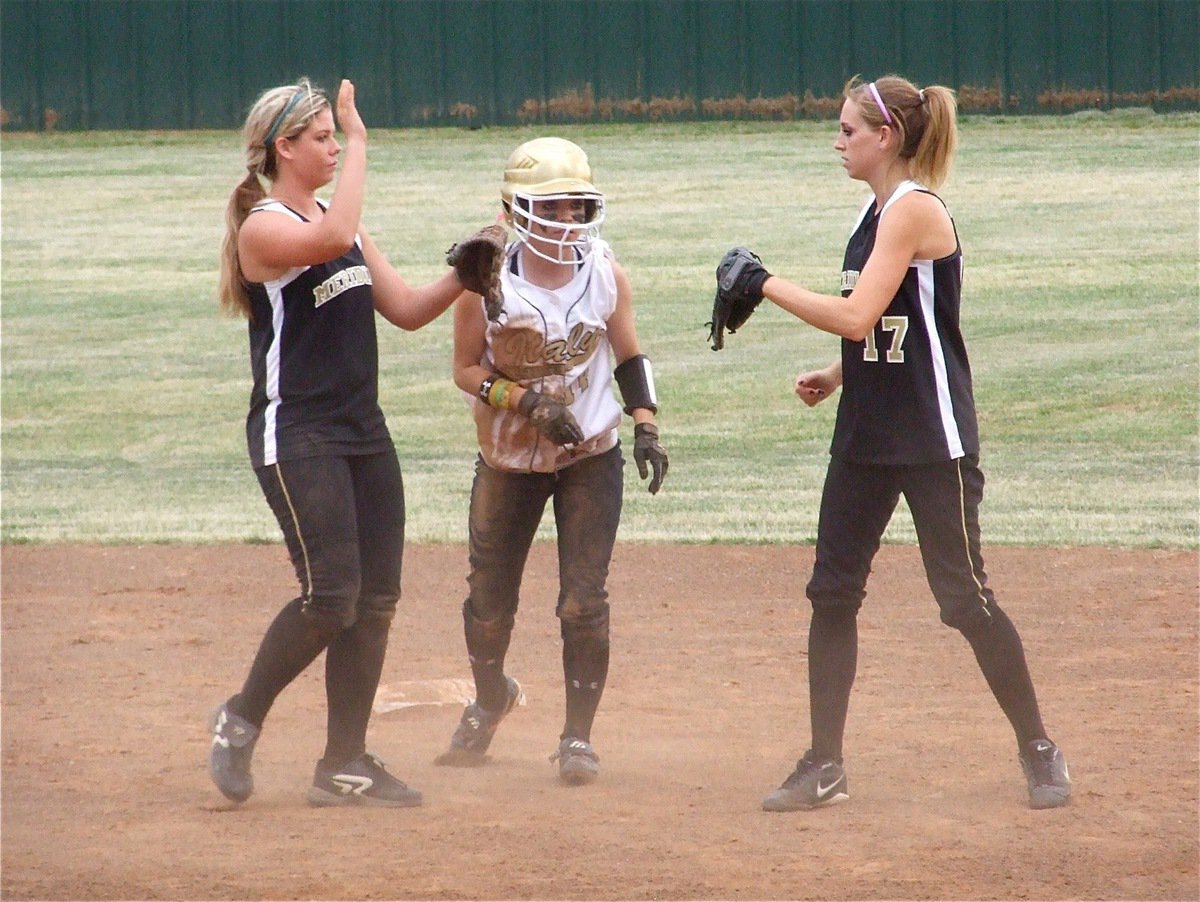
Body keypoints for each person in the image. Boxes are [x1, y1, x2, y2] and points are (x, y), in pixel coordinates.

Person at [716, 75, 1070, 812]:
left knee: (962, 599)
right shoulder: (873, 211)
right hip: (866, 433)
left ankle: (1038, 746)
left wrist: (763, 282)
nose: (837, 141)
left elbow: (854, 315)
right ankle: (826, 764)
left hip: (931, 437)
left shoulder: (913, 212)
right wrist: (837, 376)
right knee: (832, 594)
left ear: (887, 139)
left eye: (848, 130)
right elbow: (888, 327)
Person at [211, 77, 465, 808]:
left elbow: (410, 310)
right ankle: (239, 719)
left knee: (375, 599)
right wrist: (362, 140)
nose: (330, 146)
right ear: (284, 148)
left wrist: (466, 275)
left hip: (362, 433)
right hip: (297, 434)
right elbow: (324, 239)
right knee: (331, 596)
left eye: (333, 136)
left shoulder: (339, 219)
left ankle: (344, 762)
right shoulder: (263, 225)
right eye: (319, 137)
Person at [433, 136, 668, 785]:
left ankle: (577, 739)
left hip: (591, 453)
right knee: (488, 602)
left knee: (582, 602)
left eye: (576, 207)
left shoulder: (603, 270)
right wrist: (526, 402)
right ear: (516, 209)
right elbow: (464, 372)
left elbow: (627, 354)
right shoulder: (483, 283)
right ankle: (489, 700)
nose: (568, 220)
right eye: (554, 207)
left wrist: (645, 424)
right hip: (508, 458)